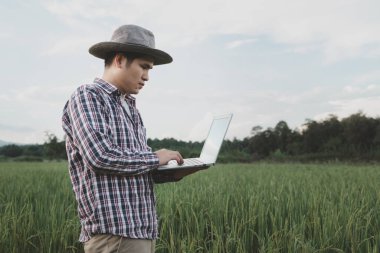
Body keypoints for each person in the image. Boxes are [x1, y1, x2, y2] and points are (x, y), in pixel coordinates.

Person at [62, 24, 195, 253]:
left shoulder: (130, 108)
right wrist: (155, 157)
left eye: (150, 69)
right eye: (144, 67)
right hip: (113, 236)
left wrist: (167, 172)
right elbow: (100, 157)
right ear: (120, 60)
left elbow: (133, 165)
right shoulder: (88, 97)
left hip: (141, 232)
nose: (147, 77)